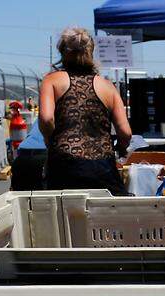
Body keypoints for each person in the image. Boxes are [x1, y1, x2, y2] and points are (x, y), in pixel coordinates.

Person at [38, 27, 131, 195]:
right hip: (103, 167)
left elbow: (46, 119)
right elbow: (125, 132)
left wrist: (49, 140)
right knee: (109, 210)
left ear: (62, 52)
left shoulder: (51, 80)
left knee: (63, 211)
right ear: (91, 52)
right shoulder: (108, 86)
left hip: (64, 165)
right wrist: (121, 148)